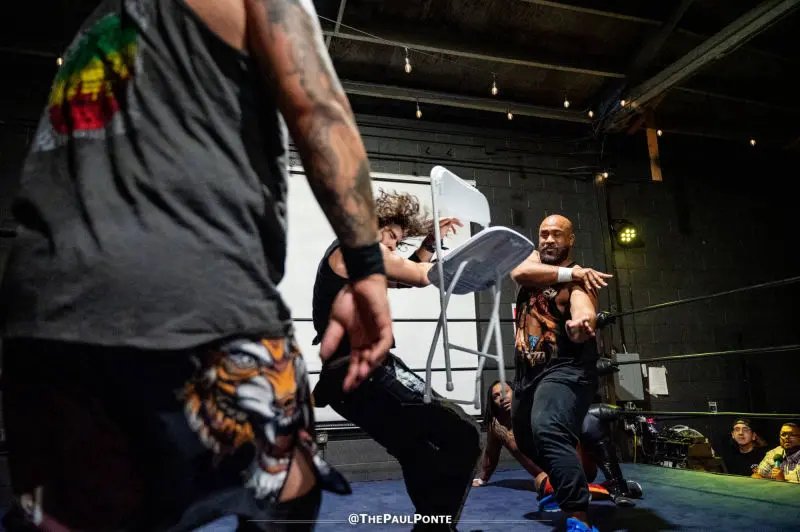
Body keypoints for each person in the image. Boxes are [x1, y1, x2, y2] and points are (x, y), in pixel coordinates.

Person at [0, 0, 396, 530]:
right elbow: (318, 109)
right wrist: (368, 267)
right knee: (288, 481)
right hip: (190, 287)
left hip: (40, 314)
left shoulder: (95, 25)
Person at [311, 192, 481, 531]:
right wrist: (476, 263)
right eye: (390, 236)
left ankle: (431, 527)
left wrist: (429, 244)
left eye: (397, 241)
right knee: (464, 434)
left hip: (344, 385)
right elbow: (417, 273)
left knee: (416, 452)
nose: (392, 246)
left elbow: (404, 276)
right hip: (366, 375)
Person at [509, 214, 610, 532]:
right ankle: (566, 484)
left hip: (566, 369)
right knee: (525, 440)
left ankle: (579, 518)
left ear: (571, 240)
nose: (549, 240)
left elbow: (583, 309)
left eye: (557, 234)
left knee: (548, 429)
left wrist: (581, 326)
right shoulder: (533, 264)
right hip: (528, 373)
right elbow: (519, 272)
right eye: (544, 234)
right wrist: (572, 271)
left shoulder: (579, 282)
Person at [473, 381, 640, 509]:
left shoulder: (533, 408)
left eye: (505, 392)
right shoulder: (497, 427)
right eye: (496, 396)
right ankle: (605, 490)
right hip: (549, 478)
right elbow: (491, 455)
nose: (501, 398)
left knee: (588, 421)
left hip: (575, 463)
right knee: (540, 480)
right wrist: (483, 478)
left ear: (514, 392)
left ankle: (615, 483)